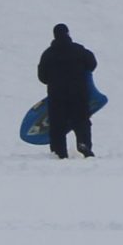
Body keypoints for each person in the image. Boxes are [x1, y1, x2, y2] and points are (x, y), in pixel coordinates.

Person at [37, 23, 98, 159]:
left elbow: (42, 76)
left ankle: (59, 152)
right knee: (81, 121)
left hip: (57, 95)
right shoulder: (78, 50)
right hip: (79, 94)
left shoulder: (48, 54)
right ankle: (83, 145)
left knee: (57, 125)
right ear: (68, 33)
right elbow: (92, 63)